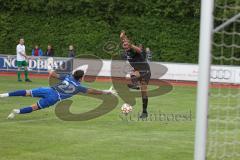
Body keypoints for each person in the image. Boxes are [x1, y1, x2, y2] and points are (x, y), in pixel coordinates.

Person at [0, 69, 117, 119]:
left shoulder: (68, 77)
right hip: (54, 97)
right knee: (34, 107)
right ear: (81, 78)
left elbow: (53, 75)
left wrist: (50, 70)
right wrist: (107, 92)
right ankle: (17, 111)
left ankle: (4, 95)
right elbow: (93, 91)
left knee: (26, 92)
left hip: (48, 89)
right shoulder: (78, 87)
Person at [120, 31, 151, 119]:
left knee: (143, 92)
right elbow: (125, 41)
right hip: (138, 71)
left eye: (126, 45)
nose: (124, 45)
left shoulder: (135, 50)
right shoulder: (127, 50)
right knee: (130, 79)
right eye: (123, 44)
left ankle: (144, 112)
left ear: (130, 45)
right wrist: (123, 37)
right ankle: (135, 85)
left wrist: (129, 43)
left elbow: (139, 49)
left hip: (145, 72)